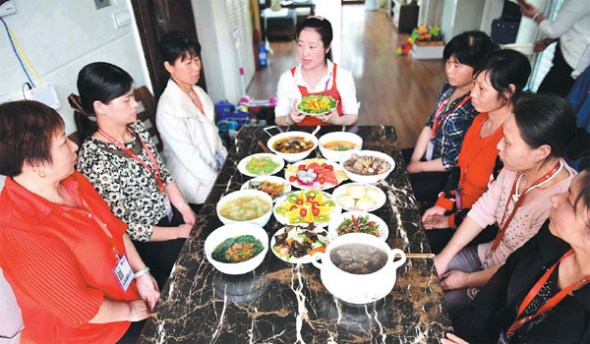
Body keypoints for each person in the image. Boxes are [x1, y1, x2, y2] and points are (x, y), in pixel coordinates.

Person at [0, 100, 159, 343]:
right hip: (93, 334)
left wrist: (141, 273)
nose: (74, 146)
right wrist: (130, 311)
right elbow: (81, 309)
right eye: (63, 141)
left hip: (126, 297)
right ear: (35, 164)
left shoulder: (71, 180)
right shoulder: (18, 231)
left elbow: (113, 227)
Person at [434, 94, 577, 314]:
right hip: (490, 253)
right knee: (429, 273)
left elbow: (519, 266)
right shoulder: (514, 166)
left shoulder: (559, 203)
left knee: (437, 306)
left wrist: (466, 280)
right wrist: (444, 258)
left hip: (506, 281)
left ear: (541, 152)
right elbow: (483, 211)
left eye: (508, 142)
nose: (499, 146)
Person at [70, 62, 196, 288]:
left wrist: (184, 209)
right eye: (126, 100)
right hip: (149, 240)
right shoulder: (95, 159)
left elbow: (162, 172)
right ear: (101, 106)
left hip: (171, 216)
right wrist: (176, 232)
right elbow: (124, 226)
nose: (135, 104)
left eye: (133, 97)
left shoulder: (134, 127)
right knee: (195, 273)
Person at [441, 164, 590, 344]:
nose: (555, 198)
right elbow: (498, 287)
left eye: (569, 201)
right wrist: (465, 335)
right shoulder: (552, 237)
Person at [422, 49, 532, 253]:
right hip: (457, 206)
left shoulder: (511, 141)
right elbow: (458, 169)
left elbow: (493, 209)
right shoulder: (480, 118)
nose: (473, 94)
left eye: (482, 88)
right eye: (474, 84)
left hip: (477, 224)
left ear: (507, 92)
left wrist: (450, 220)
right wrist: (442, 205)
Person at [403, 31, 498, 209]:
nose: (449, 70)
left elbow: (456, 160)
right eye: (448, 62)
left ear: (478, 68)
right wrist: (415, 159)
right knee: (391, 160)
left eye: (457, 65)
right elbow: (431, 122)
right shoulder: (450, 85)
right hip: (430, 153)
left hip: (446, 173)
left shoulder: (477, 106)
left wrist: (419, 167)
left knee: (398, 188)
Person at [156, 31, 228, 210]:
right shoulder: (168, 109)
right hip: (194, 189)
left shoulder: (199, 92)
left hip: (216, 172)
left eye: (196, 60)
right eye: (187, 63)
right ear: (169, 67)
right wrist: (222, 187)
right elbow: (191, 159)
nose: (196, 68)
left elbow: (215, 138)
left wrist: (229, 168)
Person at [274, 16, 358, 126]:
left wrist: (337, 120)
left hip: (334, 140)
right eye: (300, 45)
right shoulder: (287, 79)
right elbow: (279, 118)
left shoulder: (343, 76)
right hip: (302, 140)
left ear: (327, 47)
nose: (304, 53)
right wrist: (289, 119)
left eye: (312, 47)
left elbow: (352, 115)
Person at [519, 0, 590, 97]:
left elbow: (553, 31)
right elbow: (573, 24)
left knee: (544, 104)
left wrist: (536, 16)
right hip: (572, 62)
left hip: (571, 66)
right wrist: (546, 42)